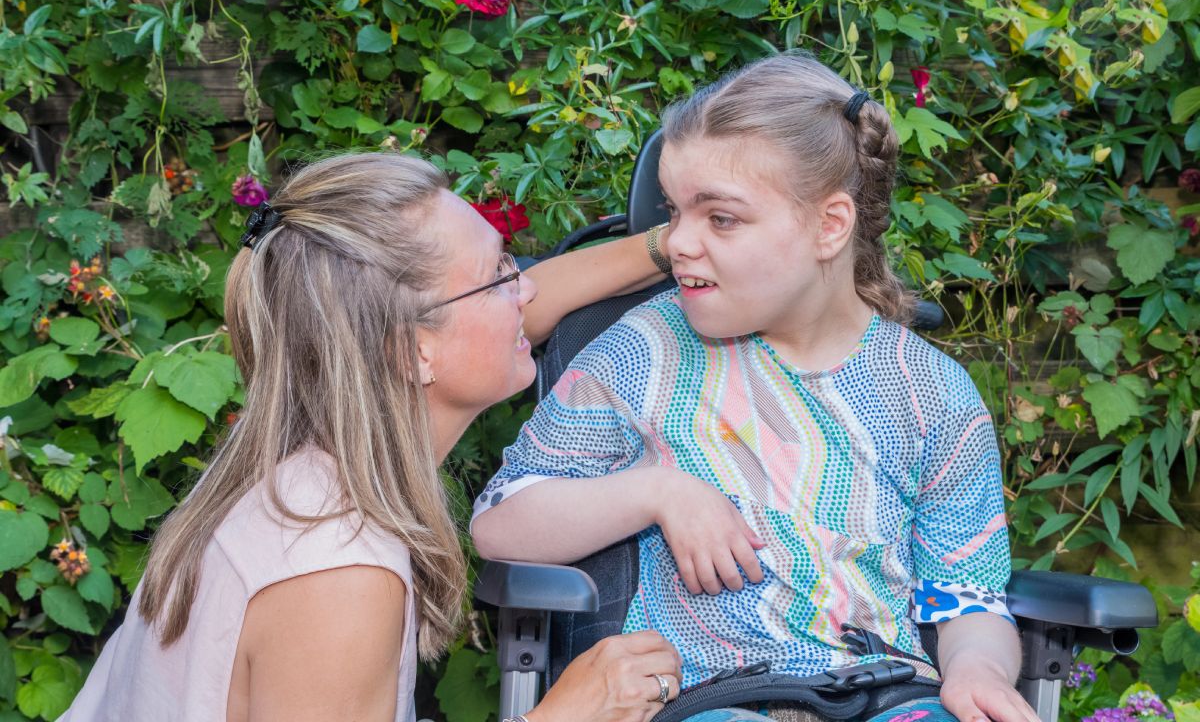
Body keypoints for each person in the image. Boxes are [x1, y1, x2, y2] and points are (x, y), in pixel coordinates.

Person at [471, 53, 1040, 722]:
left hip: (889, 694)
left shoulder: (930, 391)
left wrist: (977, 669)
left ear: (830, 226)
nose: (677, 242)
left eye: (721, 219)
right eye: (675, 211)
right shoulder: (647, 350)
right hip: (711, 698)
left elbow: (966, 595)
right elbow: (500, 524)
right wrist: (657, 492)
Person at [59, 152, 685, 722]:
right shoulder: (336, 573)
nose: (525, 286)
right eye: (500, 273)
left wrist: (675, 242)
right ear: (411, 352)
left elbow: (524, 306)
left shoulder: (299, 478)